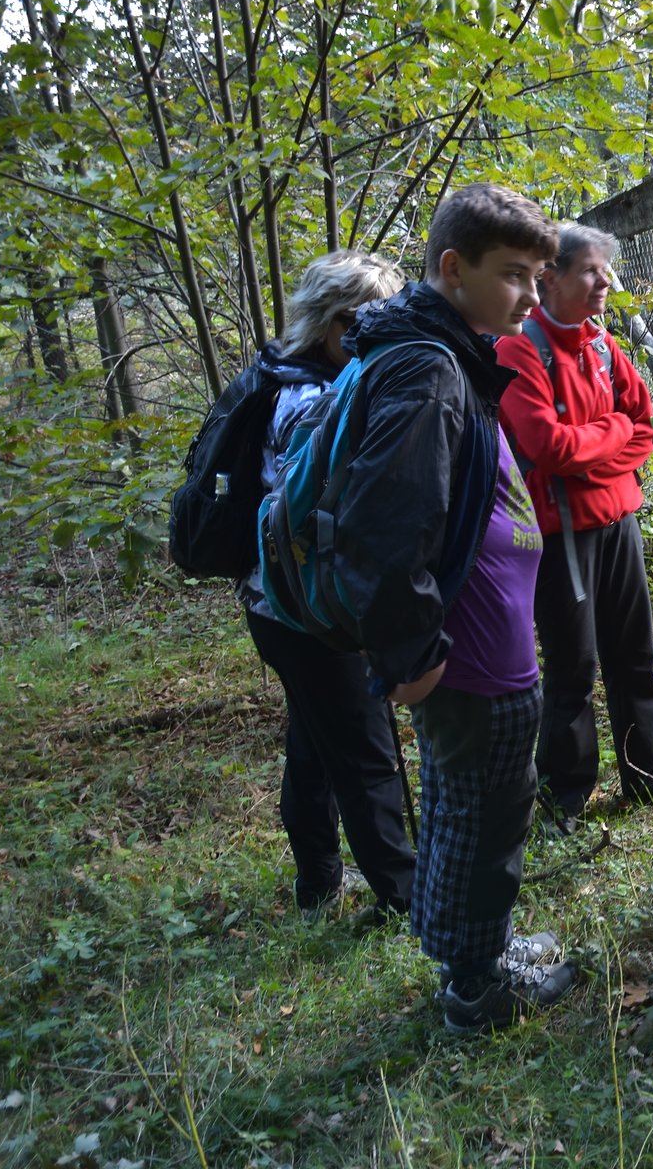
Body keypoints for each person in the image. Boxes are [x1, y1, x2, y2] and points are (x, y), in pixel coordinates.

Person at [330, 183, 575, 1033]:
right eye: (513, 274)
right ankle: (476, 990)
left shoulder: (442, 351)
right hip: (468, 654)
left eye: (538, 276)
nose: (530, 296)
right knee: (486, 812)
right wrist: (415, 652)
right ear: (451, 267)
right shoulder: (428, 369)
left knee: (463, 805)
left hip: (481, 643)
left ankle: (475, 948)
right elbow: (385, 522)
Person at [239, 250, 414, 924]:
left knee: (315, 738)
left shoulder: (286, 380)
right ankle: (403, 895)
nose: (375, 332)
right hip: (308, 606)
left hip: (278, 602)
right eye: (362, 320)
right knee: (365, 749)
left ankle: (316, 882)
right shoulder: (312, 403)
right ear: (329, 323)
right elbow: (337, 512)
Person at [497, 223, 653, 823]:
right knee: (573, 665)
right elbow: (548, 447)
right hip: (560, 536)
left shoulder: (602, 345)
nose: (605, 282)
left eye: (606, 270)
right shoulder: (518, 351)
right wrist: (614, 434)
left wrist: (596, 450)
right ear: (550, 278)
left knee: (635, 653)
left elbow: (644, 423)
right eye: (591, 271)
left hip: (616, 521)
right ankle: (566, 795)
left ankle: (648, 776)